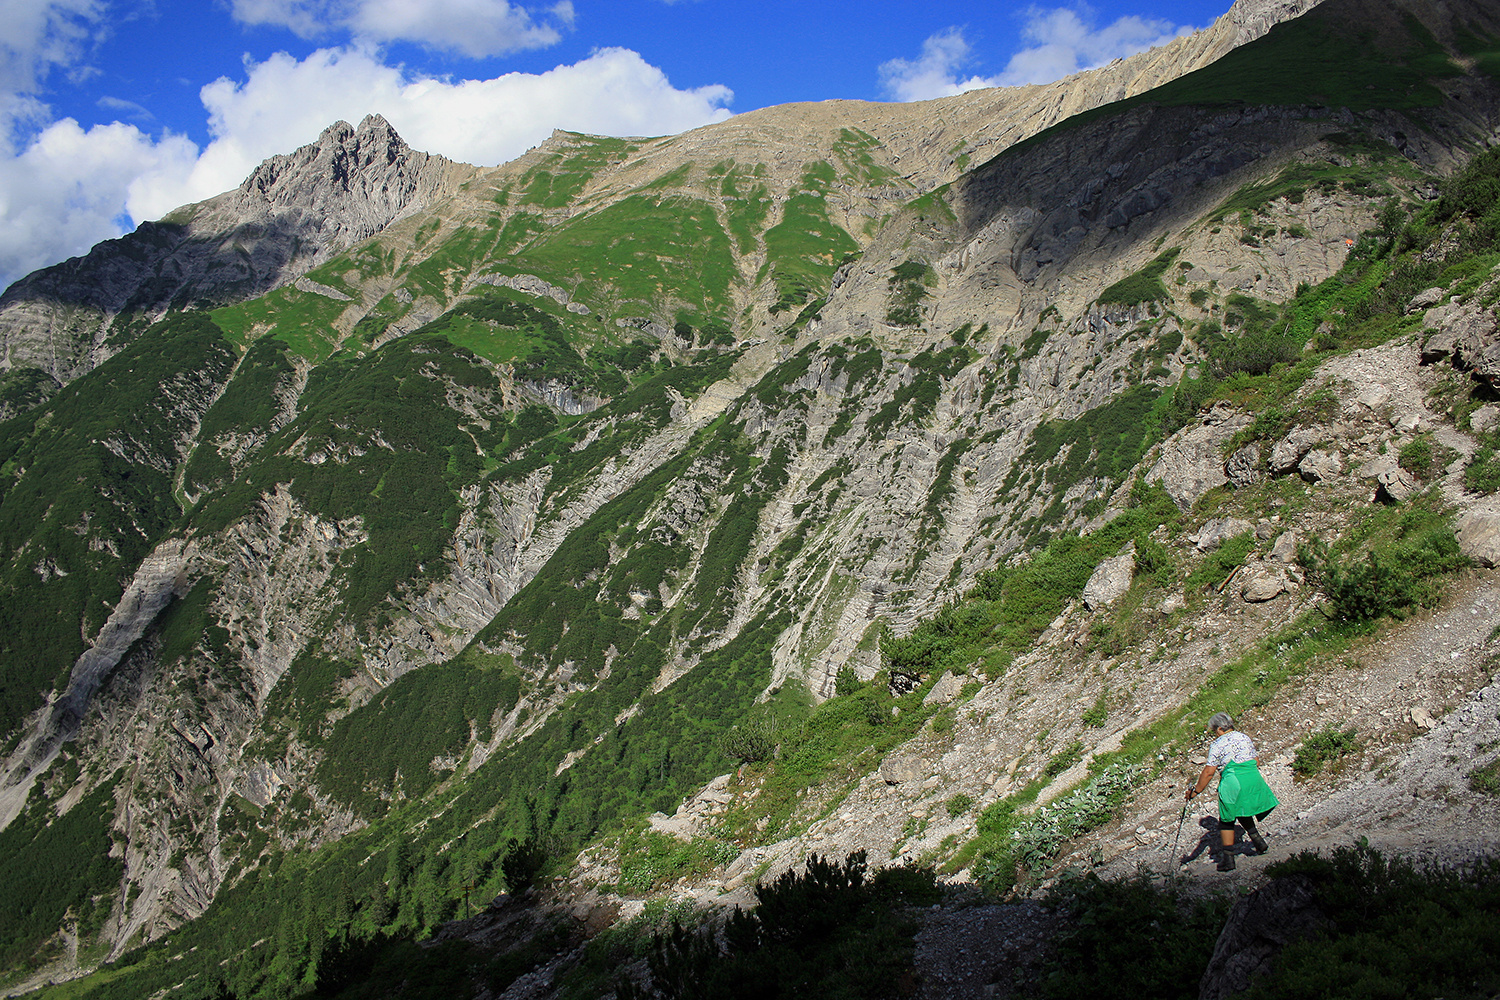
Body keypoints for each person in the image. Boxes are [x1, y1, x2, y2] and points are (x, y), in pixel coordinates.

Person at [1185, 712, 1278, 872]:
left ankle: (1229, 859)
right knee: (1241, 809)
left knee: (1227, 819)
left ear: (1220, 728)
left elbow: (1208, 772)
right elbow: (1256, 760)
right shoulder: (1244, 737)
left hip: (1233, 780)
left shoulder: (1217, 744)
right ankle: (1259, 842)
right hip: (1252, 777)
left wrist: (1195, 792)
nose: (1215, 733)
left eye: (1215, 730)